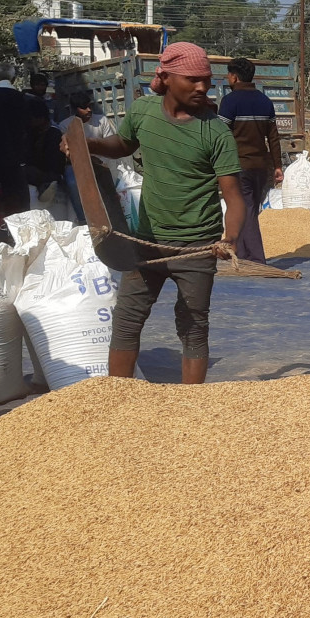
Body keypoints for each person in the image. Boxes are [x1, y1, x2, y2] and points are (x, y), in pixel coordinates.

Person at [67, 42, 245, 384]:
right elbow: (122, 145)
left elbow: (235, 198)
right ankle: (120, 398)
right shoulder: (143, 112)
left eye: (206, 80)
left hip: (196, 247)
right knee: (128, 317)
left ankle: (189, 407)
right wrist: (85, 145)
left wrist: (229, 238)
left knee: (192, 325)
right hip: (146, 242)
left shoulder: (215, 131)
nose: (202, 87)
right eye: (192, 79)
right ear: (166, 77)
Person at [218, 57, 283, 264]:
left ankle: (256, 258)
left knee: (245, 210)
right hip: (261, 167)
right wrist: (278, 166)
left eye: (229, 75)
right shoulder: (265, 101)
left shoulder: (229, 102)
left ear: (234, 77)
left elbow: (221, 136)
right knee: (250, 208)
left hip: (238, 166)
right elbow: (273, 137)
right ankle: (244, 255)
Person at [59, 91, 120, 224]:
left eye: (89, 106)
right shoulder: (65, 125)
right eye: (84, 107)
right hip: (79, 166)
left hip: (103, 162)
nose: (89, 110)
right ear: (75, 109)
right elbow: (68, 153)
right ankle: (83, 221)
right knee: (71, 182)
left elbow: (110, 144)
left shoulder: (101, 120)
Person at [0, 62, 30, 236]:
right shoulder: (21, 99)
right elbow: (25, 130)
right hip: (13, 158)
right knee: (16, 201)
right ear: (13, 78)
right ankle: (17, 236)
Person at [22, 96, 65, 201]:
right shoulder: (31, 133)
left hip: (51, 173)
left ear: (40, 118)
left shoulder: (53, 133)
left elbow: (54, 163)